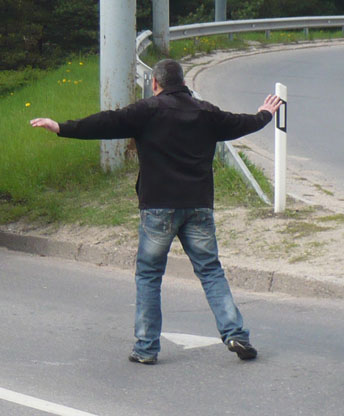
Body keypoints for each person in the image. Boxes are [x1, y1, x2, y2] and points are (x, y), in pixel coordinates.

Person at [29, 58, 283, 365]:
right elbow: (241, 123)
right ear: (185, 83)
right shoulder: (206, 113)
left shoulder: (147, 110)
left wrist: (62, 128)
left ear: (155, 83)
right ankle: (236, 335)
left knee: (149, 275)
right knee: (210, 270)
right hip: (198, 206)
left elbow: (107, 122)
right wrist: (265, 114)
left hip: (158, 208)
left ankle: (147, 348)